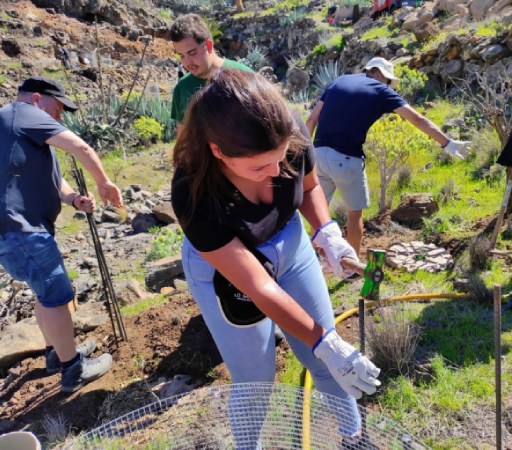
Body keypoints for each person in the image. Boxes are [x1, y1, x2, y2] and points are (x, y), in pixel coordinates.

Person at [171, 69, 380, 449]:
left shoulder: (289, 131)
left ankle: (355, 440)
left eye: (280, 160)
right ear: (219, 152)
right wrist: (325, 341)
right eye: (258, 167)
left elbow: (311, 185)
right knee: (256, 380)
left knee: (327, 362)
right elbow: (258, 286)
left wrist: (325, 231)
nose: (275, 174)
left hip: (290, 244)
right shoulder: (194, 192)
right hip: (227, 272)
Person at [0, 76, 123, 393]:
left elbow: (52, 181)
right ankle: (73, 370)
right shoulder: (21, 112)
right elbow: (80, 146)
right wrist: (103, 182)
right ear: (36, 99)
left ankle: (55, 354)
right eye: (57, 109)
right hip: (19, 229)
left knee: (44, 293)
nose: (58, 118)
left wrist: (74, 199)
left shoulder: (13, 131)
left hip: (3, 233)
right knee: (58, 296)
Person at [306, 57, 471, 255]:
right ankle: (351, 269)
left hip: (318, 156)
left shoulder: (337, 82)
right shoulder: (380, 89)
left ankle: (314, 261)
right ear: (379, 74)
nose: (389, 85)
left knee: (318, 214)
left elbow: (312, 119)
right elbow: (417, 118)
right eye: (388, 81)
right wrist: (447, 143)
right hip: (346, 159)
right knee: (354, 214)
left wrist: (304, 153)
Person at [169, 13, 251, 139]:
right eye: (181, 55)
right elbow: (183, 136)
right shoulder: (182, 88)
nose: (187, 62)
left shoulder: (245, 77)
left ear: (208, 45)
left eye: (192, 52)